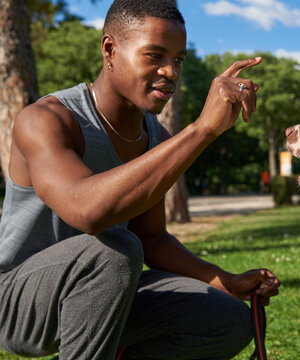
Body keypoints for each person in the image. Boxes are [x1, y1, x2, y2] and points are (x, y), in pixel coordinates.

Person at [0, 1, 280, 359]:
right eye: (155, 55)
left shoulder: (154, 136)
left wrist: (224, 279)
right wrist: (200, 130)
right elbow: (88, 212)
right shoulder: (47, 119)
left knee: (226, 319)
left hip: (100, 290)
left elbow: (152, 238)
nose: (171, 72)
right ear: (109, 50)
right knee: (112, 248)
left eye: (178, 60)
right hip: (18, 303)